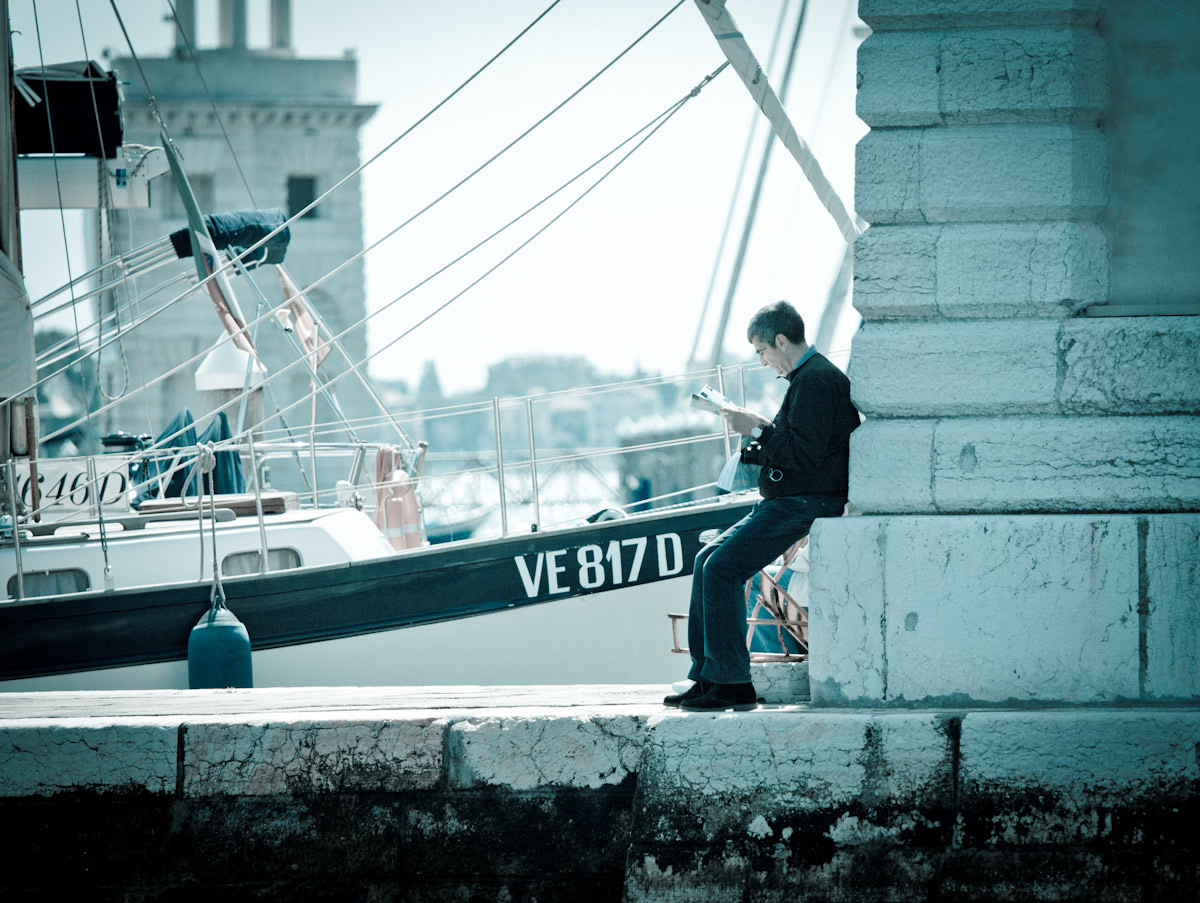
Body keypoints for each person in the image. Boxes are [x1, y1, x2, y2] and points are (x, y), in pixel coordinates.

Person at [665, 300, 860, 711]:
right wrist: (756, 434)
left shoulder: (817, 382)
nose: (762, 361)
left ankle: (732, 683)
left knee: (721, 567)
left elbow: (803, 457)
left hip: (804, 503)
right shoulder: (809, 380)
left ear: (782, 340)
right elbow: (799, 448)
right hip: (791, 500)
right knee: (707, 559)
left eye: (762, 351)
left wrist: (755, 426)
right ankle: (706, 675)